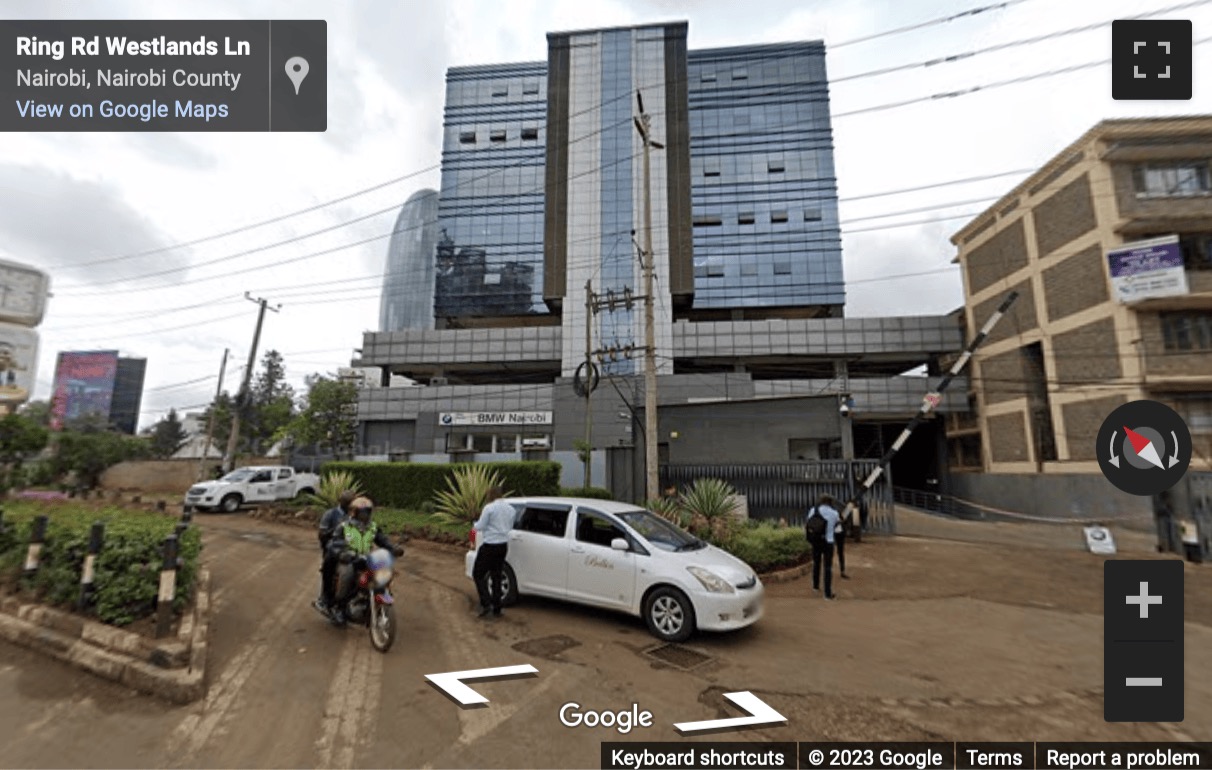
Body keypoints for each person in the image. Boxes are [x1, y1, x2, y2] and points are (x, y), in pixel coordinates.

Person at [326, 496, 402, 626]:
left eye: (367, 511)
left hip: (366, 559)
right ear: (353, 512)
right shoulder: (344, 526)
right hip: (348, 560)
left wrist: (393, 548)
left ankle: (378, 600)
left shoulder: (373, 527)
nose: (365, 515)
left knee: (384, 572)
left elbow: (383, 540)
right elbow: (335, 543)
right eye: (362, 512)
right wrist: (343, 553)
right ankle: (339, 607)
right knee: (347, 574)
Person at [472, 485, 516, 618]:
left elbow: (480, 526)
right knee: (496, 575)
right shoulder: (511, 509)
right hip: (503, 545)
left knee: (478, 573)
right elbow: (510, 526)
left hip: (490, 545)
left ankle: (486, 604)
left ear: (491, 495)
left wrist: (473, 523)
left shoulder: (489, 508)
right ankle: (497, 607)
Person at [313, 490, 357, 614]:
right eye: (348, 503)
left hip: (352, 549)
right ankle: (326, 599)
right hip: (334, 550)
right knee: (330, 568)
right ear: (341, 502)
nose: (350, 506)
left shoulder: (356, 515)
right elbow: (322, 535)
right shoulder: (330, 514)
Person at [806, 493, 841, 600]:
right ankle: (827, 594)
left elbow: (808, 523)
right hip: (828, 542)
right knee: (827, 567)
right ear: (830, 502)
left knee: (816, 563)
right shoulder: (834, 513)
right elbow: (838, 526)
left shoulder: (813, 510)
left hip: (816, 541)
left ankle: (815, 586)